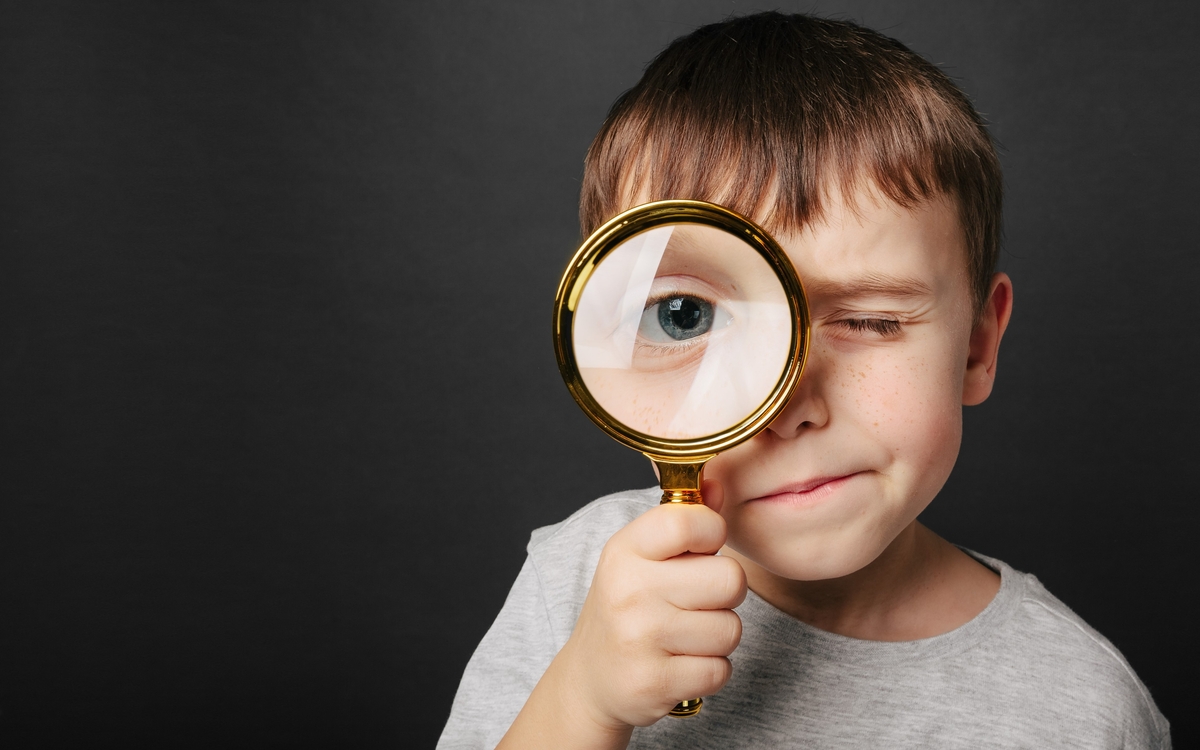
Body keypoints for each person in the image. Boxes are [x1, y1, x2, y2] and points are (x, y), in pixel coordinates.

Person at [437, 11, 1170, 749]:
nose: (786, 407)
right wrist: (583, 700)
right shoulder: (582, 582)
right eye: (686, 316)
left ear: (978, 344)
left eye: (873, 320)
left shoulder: (1083, 706)